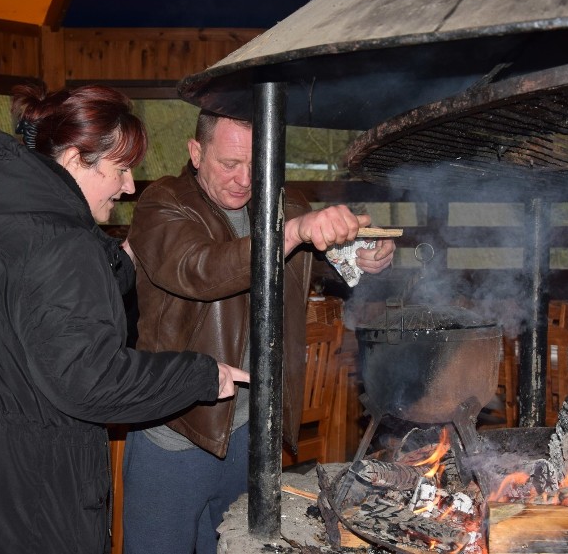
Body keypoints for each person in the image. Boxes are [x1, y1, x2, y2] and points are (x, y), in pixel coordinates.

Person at [0, 84, 248, 554]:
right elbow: (90, 381)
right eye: (121, 169)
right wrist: (199, 374)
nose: (130, 187)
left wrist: (119, 263)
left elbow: (31, 300)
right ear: (75, 158)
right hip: (5, 485)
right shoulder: (58, 243)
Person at [123, 109, 395, 554]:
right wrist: (292, 232)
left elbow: (324, 255)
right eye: (229, 164)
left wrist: (363, 254)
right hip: (175, 431)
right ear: (196, 153)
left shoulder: (281, 204)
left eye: (257, 165)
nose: (245, 180)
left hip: (252, 431)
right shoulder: (162, 202)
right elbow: (201, 270)